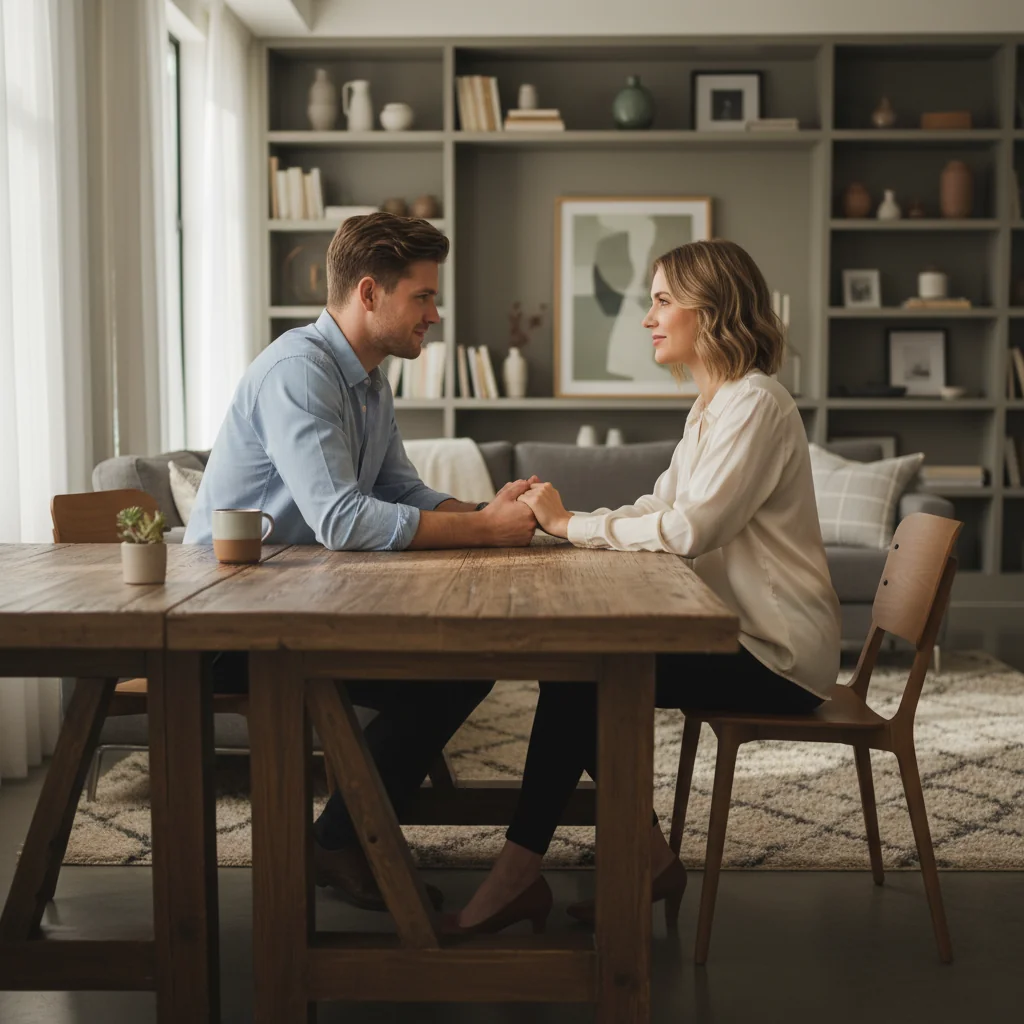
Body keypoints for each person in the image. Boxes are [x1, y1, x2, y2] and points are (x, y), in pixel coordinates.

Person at [446, 239, 842, 935]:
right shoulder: (713, 406)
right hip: (744, 636)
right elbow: (658, 508)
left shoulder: (754, 404)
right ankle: (644, 859)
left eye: (662, 301)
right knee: (584, 676)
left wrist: (571, 525)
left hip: (779, 657)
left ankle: (521, 874)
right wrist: (565, 521)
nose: (647, 318)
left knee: (581, 676)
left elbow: (691, 530)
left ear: (710, 309)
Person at [184, 213, 538, 912]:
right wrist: (485, 535)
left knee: (460, 667)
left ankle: (344, 834)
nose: (435, 315)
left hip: (301, 604)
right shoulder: (298, 372)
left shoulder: (370, 379)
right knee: (449, 674)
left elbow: (395, 487)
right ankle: (342, 842)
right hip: (225, 621)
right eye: (424, 298)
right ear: (370, 293)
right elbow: (343, 519)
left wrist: (481, 515)